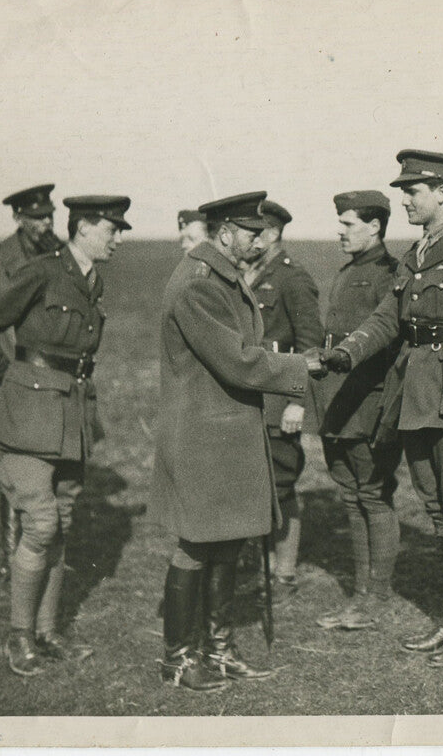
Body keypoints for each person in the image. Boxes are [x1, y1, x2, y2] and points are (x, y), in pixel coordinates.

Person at [323, 149, 443, 664]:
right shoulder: (415, 256)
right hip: (418, 398)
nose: (403, 199)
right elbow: (388, 319)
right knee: (437, 510)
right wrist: (347, 352)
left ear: (441, 193)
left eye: (412, 191)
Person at [149, 191, 326, 693]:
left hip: (224, 432)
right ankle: (179, 659)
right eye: (251, 232)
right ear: (225, 232)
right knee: (195, 545)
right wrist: (300, 366)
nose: (259, 240)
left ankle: (217, 650)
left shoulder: (222, 276)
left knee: (225, 543)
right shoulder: (199, 284)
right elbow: (237, 360)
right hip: (204, 436)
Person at [0, 194, 132, 676]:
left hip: (72, 415)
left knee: (62, 520)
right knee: (40, 524)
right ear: (83, 228)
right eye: (111, 229)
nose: (118, 238)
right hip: (28, 416)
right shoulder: (42, 271)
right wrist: (9, 382)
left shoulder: (90, 280)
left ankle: (48, 632)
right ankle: (19, 637)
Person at [0, 183, 63, 581]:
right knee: (14, 473)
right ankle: (11, 558)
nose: (45, 224)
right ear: (19, 218)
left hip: (49, 380)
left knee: (48, 470)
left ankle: (40, 554)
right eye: (37, 217)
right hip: (6, 378)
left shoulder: (58, 257)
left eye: (49, 216)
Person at [312, 190, 403, 631]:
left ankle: (377, 598)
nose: (340, 231)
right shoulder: (349, 271)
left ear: (375, 227)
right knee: (351, 496)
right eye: (341, 223)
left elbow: (390, 342)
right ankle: (361, 596)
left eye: (349, 224)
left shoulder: (391, 273)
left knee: (372, 495)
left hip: (370, 402)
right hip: (339, 401)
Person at [241, 200, 323, 603]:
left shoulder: (293, 279)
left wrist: (297, 403)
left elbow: (310, 349)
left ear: (273, 234)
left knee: (281, 485)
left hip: (278, 400)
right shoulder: (243, 272)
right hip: (246, 397)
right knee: (249, 483)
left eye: (256, 232)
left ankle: (284, 573)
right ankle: (254, 566)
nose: (249, 239)